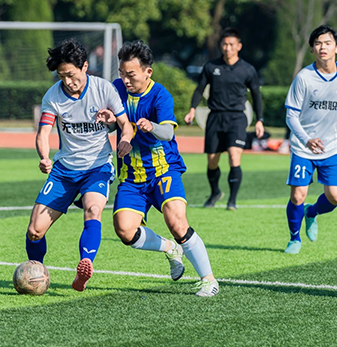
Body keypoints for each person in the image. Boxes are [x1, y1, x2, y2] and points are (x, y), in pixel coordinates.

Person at [107, 40, 219, 297]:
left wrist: (152, 126)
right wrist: (109, 121)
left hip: (163, 170)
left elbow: (168, 132)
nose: (125, 80)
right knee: (125, 231)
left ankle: (209, 280)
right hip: (131, 176)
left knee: (177, 222)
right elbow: (115, 124)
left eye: (130, 74)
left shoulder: (160, 95)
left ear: (148, 72)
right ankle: (170, 248)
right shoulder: (116, 89)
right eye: (122, 73)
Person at [25, 39, 134, 292]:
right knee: (34, 231)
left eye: (71, 75)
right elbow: (43, 133)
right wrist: (44, 157)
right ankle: (35, 273)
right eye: (61, 76)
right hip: (64, 170)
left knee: (93, 210)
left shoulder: (104, 89)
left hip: (97, 167)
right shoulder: (53, 96)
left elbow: (125, 124)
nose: (67, 81)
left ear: (85, 66)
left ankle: (85, 265)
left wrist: (126, 140)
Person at [283, 25, 337, 255]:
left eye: (327, 43)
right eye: (318, 43)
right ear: (312, 49)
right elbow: (291, 115)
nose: (322, 47)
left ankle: (312, 212)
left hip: (333, 147)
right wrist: (306, 139)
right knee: (298, 194)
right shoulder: (303, 78)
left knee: (335, 197)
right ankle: (294, 238)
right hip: (303, 148)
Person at [184, 28, 264, 211]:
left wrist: (260, 119)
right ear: (221, 45)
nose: (228, 48)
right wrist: (192, 109)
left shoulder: (247, 70)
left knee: (234, 156)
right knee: (212, 160)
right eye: (225, 44)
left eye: (231, 44)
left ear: (239, 46)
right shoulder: (211, 67)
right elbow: (199, 89)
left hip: (237, 118)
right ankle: (215, 192)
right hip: (215, 117)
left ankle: (232, 201)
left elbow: (256, 96)